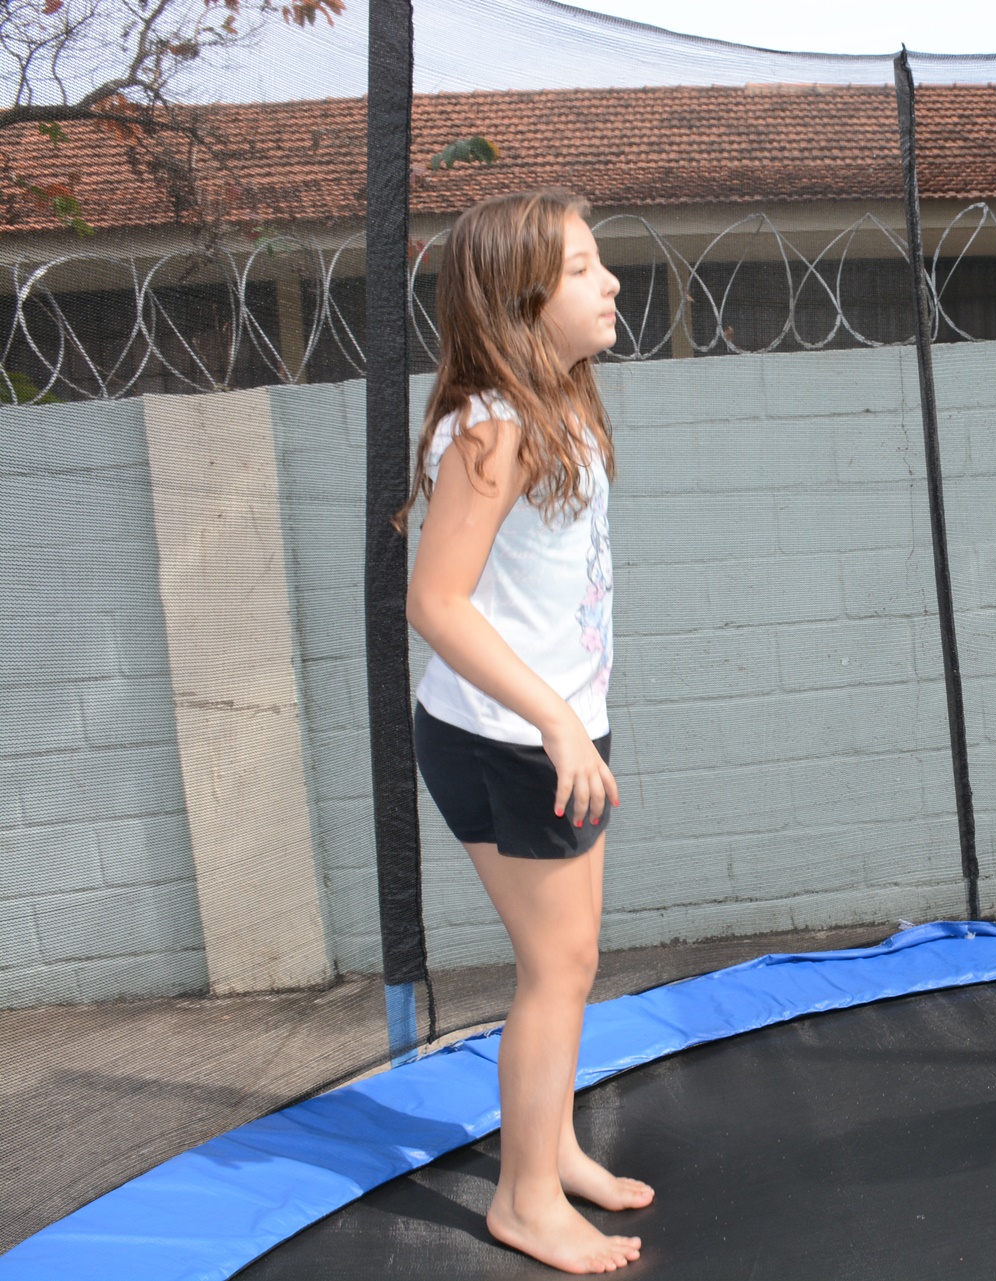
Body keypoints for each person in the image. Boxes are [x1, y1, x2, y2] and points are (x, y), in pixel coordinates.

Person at [400, 189, 648, 1273]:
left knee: (573, 959)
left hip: (558, 730)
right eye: (584, 268)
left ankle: (553, 1151)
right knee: (559, 965)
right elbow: (435, 600)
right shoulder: (493, 426)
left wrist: (570, 722)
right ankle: (525, 1198)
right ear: (521, 298)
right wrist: (553, 721)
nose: (612, 282)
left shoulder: (563, 404)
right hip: (508, 739)